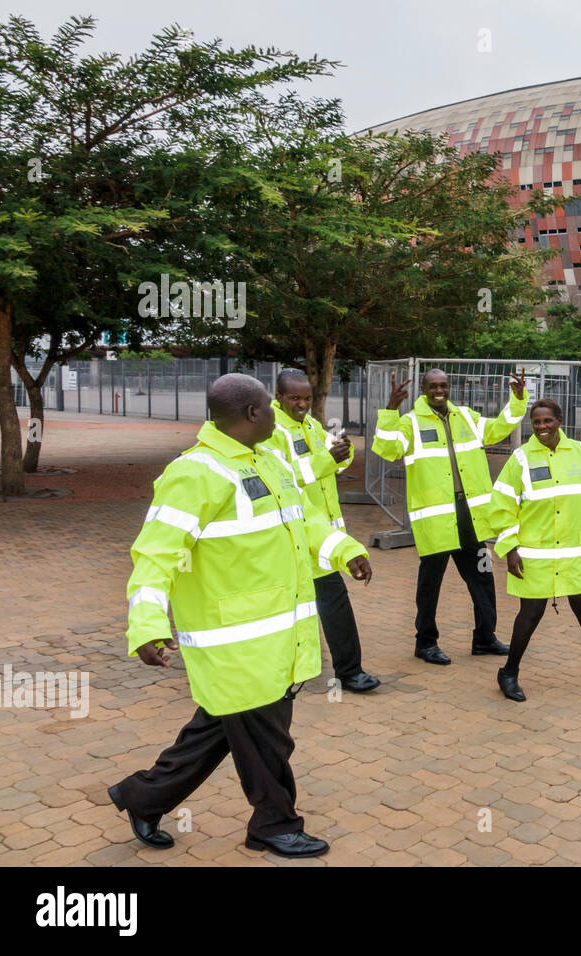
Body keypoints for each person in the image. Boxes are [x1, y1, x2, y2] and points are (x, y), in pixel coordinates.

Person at [107, 373, 372, 859]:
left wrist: (344, 550)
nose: (278, 414)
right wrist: (146, 625)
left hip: (275, 639)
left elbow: (303, 521)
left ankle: (142, 797)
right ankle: (274, 824)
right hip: (234, 644)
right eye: (270, 408)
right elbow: (155, 556)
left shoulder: (268, 461)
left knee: (222, 730)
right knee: (268, 742)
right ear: (253, 414)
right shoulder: (195, 473)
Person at [372, 367, 528, 665]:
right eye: (433, 386)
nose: (439, 390)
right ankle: (425, 642)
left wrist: (518, 399)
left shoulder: (466, 416)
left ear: (450, 386)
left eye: (444, 385)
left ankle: (485, 637)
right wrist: (390, 410)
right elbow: (387, 449)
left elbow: (498, 428)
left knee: (483, 575)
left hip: (471, 515)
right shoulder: (411, 423)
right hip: (436, 520)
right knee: (430, 583)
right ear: (423, 388)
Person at [487, 398, 581, 701]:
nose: (542, 427)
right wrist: (510, 548)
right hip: (534, 554)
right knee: (530, 614)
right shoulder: (521, 458)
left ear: (559, 420)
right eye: (536, 422)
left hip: (575, 552)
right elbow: (501, 506)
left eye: (547, 421)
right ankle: (508, 672)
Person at [262, 369, 380, 693]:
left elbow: (335, 462)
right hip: (293, 533)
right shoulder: (270, 432)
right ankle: (332, 672)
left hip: (320, 534)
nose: (301, 404)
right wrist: (325, 460)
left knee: (331, 602)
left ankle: (347, 670)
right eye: (294, 398)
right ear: (278, 396)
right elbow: (280, 479)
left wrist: (344, 451)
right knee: (305, 604)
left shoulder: (312, 425)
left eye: (307, 399)